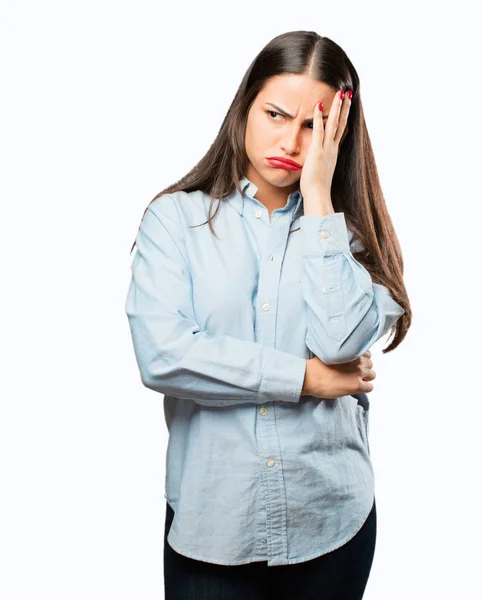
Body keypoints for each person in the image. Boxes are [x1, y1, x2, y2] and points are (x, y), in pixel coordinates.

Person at [125, 29, 410, 600]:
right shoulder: (174, 221)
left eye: (315, 125)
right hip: (214, 524)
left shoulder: (351, 236)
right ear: (245, 107)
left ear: (339, 133)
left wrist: (322, 202)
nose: (291, 140)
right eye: (276, 114)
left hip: (332, 520)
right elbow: (165, 356)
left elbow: (339, 341)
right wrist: (306, 380)